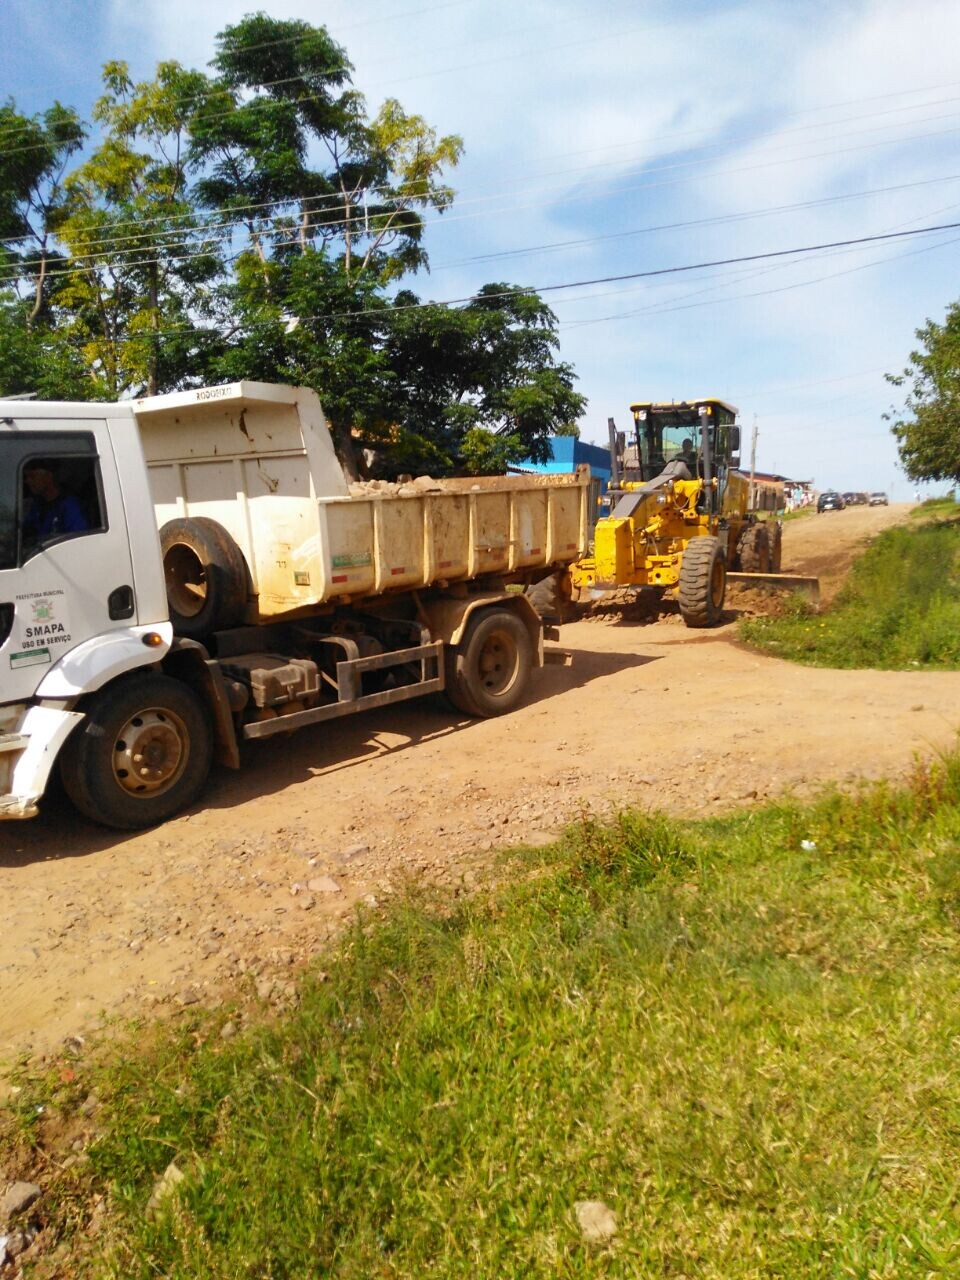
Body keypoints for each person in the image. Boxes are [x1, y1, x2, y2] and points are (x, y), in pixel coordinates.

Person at [22, 459, 90, 543]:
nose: (28, 481)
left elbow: (79, 539)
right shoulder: (36, 506)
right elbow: (24, 532)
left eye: (32, 476)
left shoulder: (70, 506)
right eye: (26, 477)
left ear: (48, 477)